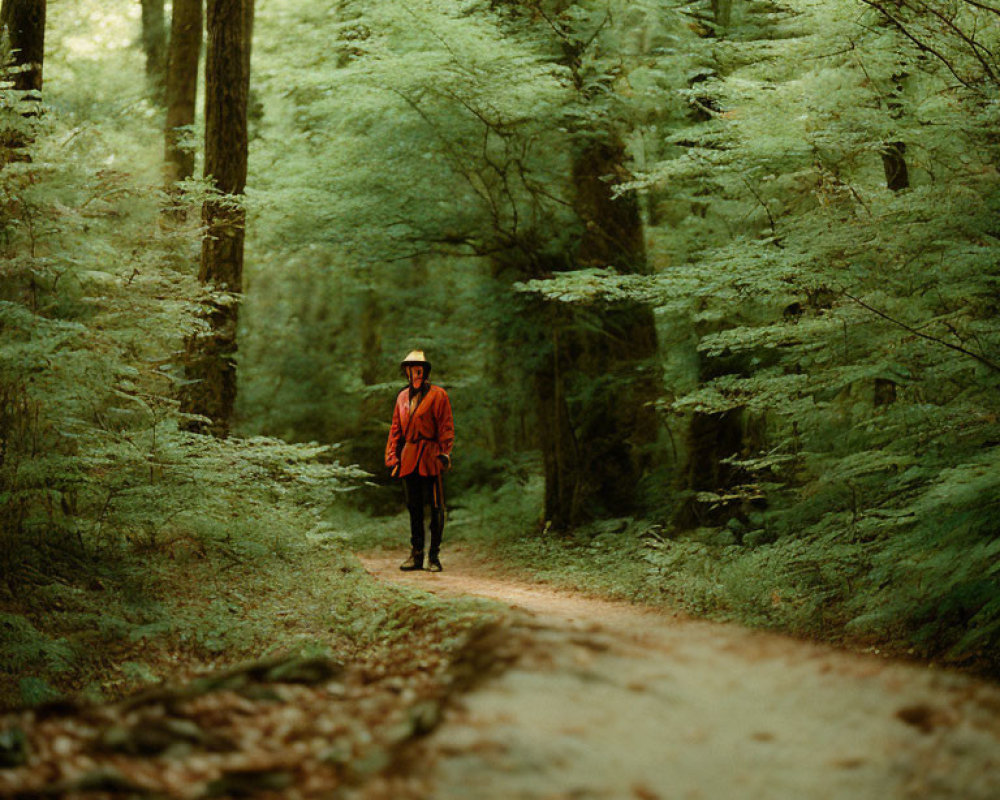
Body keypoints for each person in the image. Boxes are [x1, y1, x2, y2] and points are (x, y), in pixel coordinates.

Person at [385, 350, 454, 572]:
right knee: (413, 507)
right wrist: (392, 457)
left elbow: (446, 426)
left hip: (431, 455)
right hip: (409, 456)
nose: (416, 372)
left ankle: (434, 556)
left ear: (424, 371)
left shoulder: (438, 395)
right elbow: (395, 429)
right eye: (411, 368)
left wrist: (444, 452)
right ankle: (416, 555)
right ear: (406, 371)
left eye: (419, 368)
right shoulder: (402, 397)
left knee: (435, 508)